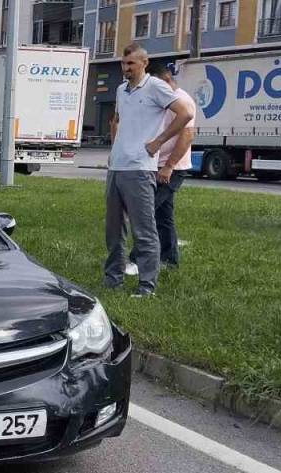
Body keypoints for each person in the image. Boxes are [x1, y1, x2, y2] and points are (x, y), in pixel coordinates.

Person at [105, 43, 193, 297]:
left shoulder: (155, 87)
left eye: (131, 64)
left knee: (144, 229)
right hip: (118, 168)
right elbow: (118, 121)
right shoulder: (122, 90)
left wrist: (158, 142)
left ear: (144, 63)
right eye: (123, 64)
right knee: (113, 230)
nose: (126, 68)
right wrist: (114, 149)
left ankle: (146, 285)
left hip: (140, 169)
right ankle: (113, 279)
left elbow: (185, 114)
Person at [149, 61, 195, 269]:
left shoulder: (183, 101)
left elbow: (187, 136)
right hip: (156, 165)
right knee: (163, 216)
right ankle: (169, 259)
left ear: (166, 79)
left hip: (172, 169)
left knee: (145, 212)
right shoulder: (163, 99)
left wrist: (169, 166)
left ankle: (135, 259)